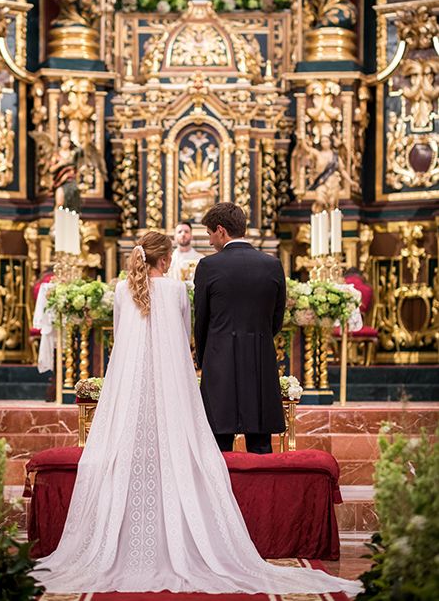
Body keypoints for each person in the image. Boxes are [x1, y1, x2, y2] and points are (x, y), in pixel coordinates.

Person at [33, 231, 361, 596]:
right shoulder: (175, 292)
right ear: (164, 259)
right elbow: (186, 339)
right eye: (170, 255)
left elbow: (123, 342)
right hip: (172, 386)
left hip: (128, 388)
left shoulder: (124, 292)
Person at [194, 202, 286, 454]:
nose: (210, 240)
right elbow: (277, 318)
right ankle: (263, 493)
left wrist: (204, 358)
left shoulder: (208, 266)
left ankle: (220, 494)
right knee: (261, 444)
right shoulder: (272, 265)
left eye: (210, 234)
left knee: (219, 446)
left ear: (221, 230)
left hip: (220, 360)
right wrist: (259, 338)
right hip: (260, 360)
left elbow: (201, 320)